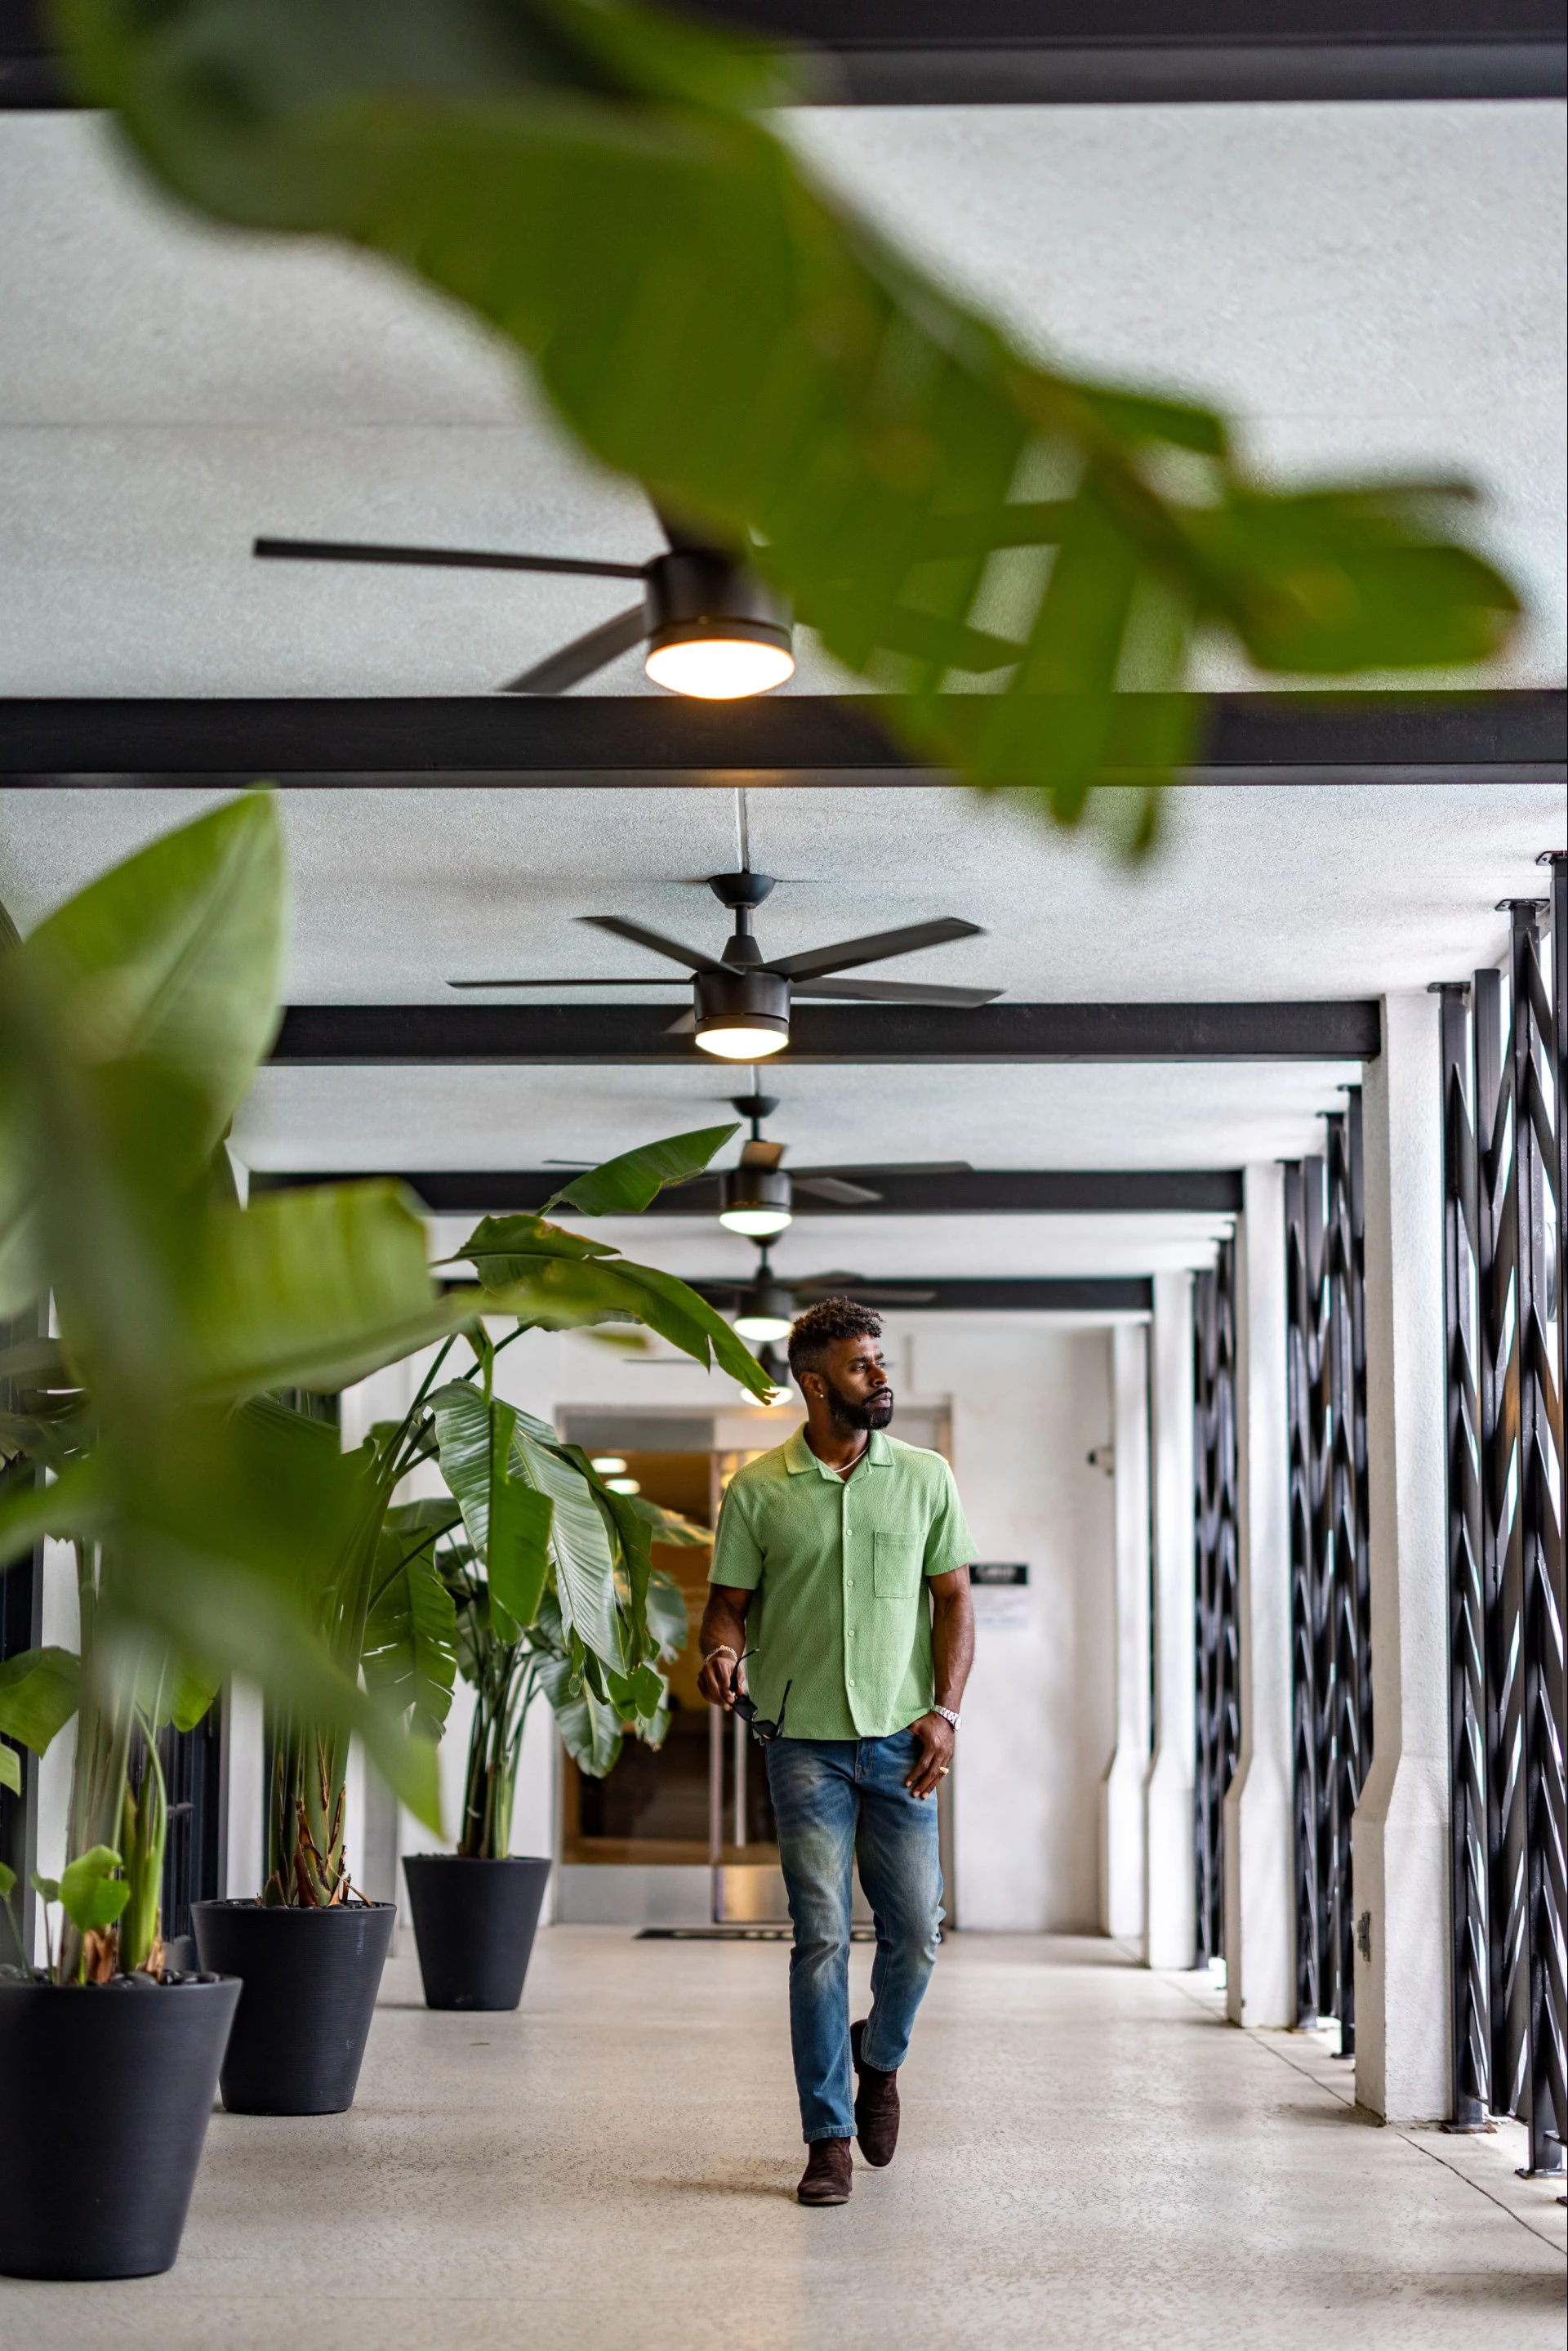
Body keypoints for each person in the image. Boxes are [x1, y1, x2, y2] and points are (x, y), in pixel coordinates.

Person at [699, 1297, 976, 2206]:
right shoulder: (757, 1490)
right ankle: (826, 2139)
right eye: (863, 1365)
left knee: (917, 1933)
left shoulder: (926, 1476)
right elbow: (728, 1605)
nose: (881, 1376)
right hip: (802, 1742)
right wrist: (722, 1651)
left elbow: (955, 1602)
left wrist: (946, 1711)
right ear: (815, 1384)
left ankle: (879, 2057)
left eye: (881, 1360)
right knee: (819, 1936)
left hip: (903, 1741)